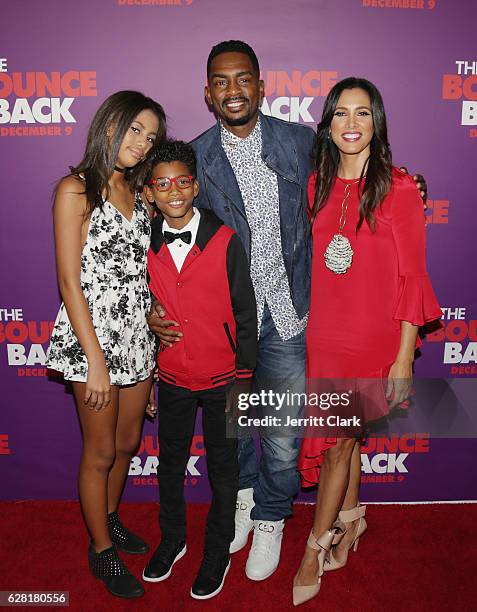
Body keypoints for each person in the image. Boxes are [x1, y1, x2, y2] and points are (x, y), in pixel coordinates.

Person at [148, 40, 428, 581]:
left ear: (260, 85)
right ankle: (248, 502)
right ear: (208, 93)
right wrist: (151, 308)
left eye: (243, 79)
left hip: (295, 316)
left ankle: (274, 516)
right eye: (222, 82)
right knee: (239, 423)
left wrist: (411, 186)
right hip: (231, 321)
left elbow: (358, 176)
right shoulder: (197, 159)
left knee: (279, 430)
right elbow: (163, 221)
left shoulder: (301, 144)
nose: (234, 90)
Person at [292, 78, 441, 606]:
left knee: (336, 445)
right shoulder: (315, 185)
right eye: (341, 114)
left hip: (374, 340)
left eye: (362, 114)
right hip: (325, 335)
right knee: (346, 440)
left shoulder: (400, 189)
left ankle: (313, 547)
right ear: (328, 125)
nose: (351, 125)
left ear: (376, 123)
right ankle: (351, 521)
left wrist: (404, 356)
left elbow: (412, 278)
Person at [46, 90, 166, 599]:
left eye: (151, 136)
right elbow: (70, 282)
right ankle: (100, 552)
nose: (141, 143)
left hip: (136, 339)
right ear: (110, 124)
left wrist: (153, 345)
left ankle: (110, 518)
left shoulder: (139, 195)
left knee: (127, 444)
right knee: (98, 453)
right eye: (134, 129)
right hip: (90, 341)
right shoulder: (76, 190)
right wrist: (94, 361)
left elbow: (143, 276)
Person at [142, 140, 257, 599]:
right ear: (149, 192)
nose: (174, 191)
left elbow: (246, 314)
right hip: (170, 378)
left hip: (225, 381)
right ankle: (173, 539)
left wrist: (244, 378)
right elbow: (137, 304)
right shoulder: (144, 240)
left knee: (224, 471)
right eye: (162, 184)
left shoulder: (226, 240)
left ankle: (216, 551)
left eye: (182, 182)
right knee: (169, 464)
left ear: (195, 186)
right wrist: (150, 358)